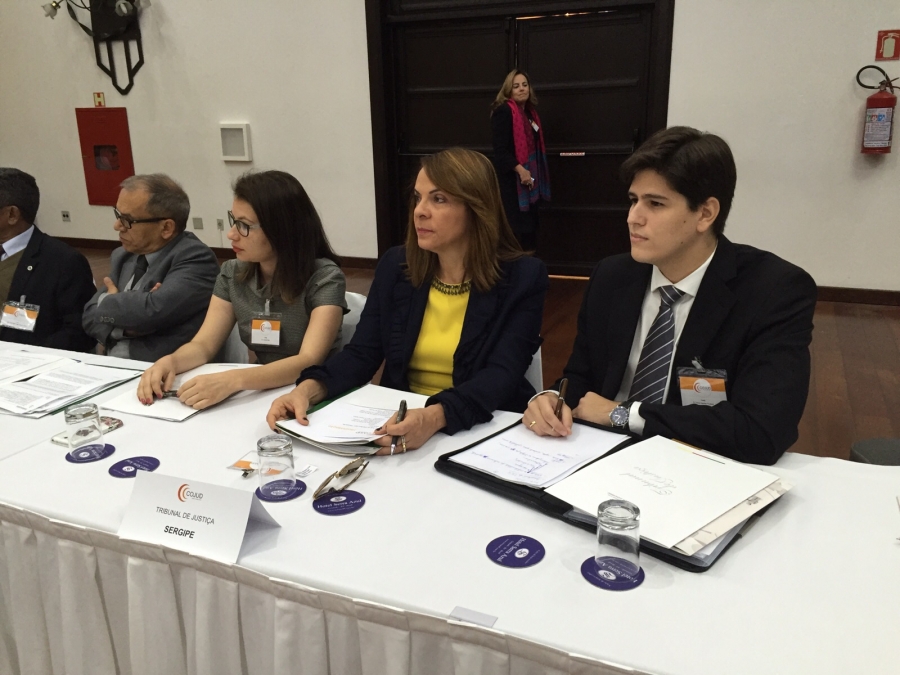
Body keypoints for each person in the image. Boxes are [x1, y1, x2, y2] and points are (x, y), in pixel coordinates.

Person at [523, 126, 816, 466]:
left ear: (705, 213)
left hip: (697, 464)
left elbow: (761, 432)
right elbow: (581, 379)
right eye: (633, 200)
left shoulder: (773, 290)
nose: (633, 218)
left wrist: (624, 414)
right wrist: (551, 399)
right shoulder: (612, 277)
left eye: (655, 204)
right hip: (598, 456)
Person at [266, 148, 548, 454]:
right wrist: (308, 390)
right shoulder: (397, 266)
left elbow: (500, 376)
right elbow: (362, 353)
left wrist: (433, 417)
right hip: (401, 420)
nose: (420, 211)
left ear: (476, 208)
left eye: (438, 199)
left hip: (483, 426)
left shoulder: (524, 277)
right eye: (417, 197)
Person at [136, 170, 347, 409]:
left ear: (282, 228)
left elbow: (308, 361)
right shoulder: (232, 273)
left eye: (244, 225)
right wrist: (170, 362)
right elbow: (203, 345)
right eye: (233, 221)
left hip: (315, 393)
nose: (231, 234)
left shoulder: (324, 278)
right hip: (260, 389)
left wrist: (233, 381)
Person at [82, 174, 220, 362]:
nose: (117, 226)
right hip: (112, 365)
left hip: (164, 369)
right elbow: (89, 316)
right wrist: (128, 328)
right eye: (118, 215)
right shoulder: (122, 255)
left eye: (128, 220)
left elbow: (152, 311)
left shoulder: (195, 258)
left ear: (166, 228)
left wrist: (108, 302)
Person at [0, 168, 96, 351]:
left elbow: (79, 331)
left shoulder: (64, 262)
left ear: (12, 214)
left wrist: (28, 356)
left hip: (30, 360)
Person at [490, 69, 551, 250]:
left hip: (531, 180)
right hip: (513, 182)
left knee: (530, 230)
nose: (522, 89)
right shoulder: (504, 112)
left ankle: (529, 264)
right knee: (516, 231)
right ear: (508, 90)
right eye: (516, 86)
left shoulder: (531, 114)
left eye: (525, 85)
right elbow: (500, 151)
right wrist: (521, 170)